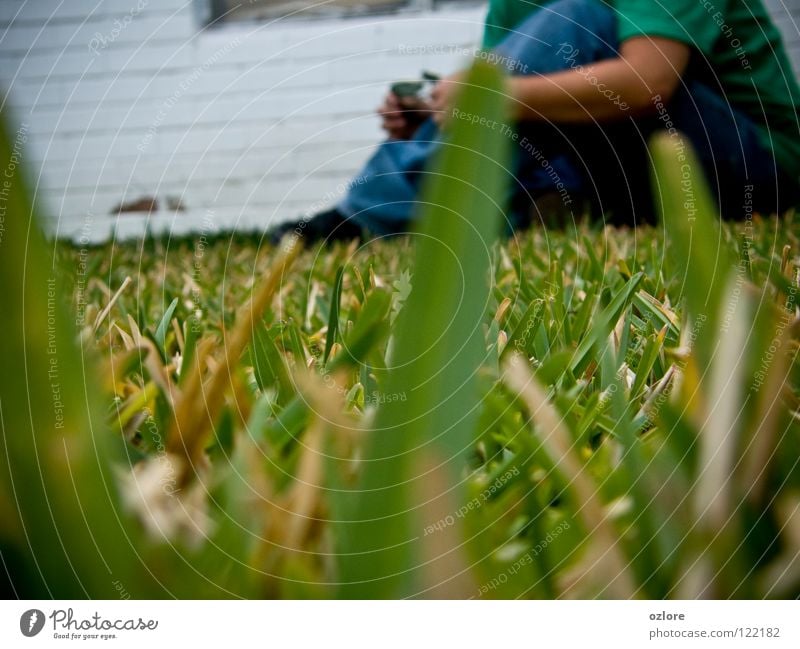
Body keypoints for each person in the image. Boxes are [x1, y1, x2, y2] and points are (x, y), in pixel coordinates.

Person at [269, 0, 800, 244]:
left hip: (754, 165)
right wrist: (439, 115)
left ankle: (372, 216)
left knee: (581, 20)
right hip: (634, 170)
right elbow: (514, 103)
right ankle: (467, 208)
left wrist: (484, 97)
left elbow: (648, 83)